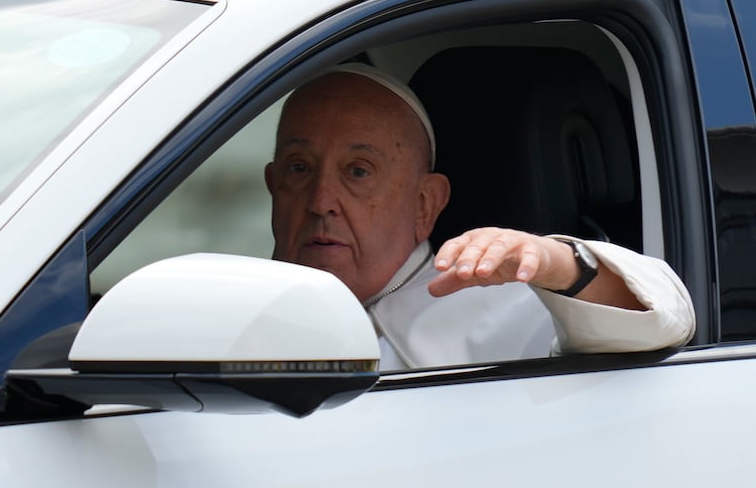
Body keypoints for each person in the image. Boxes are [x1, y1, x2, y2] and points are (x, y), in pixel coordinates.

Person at [264, 62, 696, 370]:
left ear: (424, 203)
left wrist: (554, 261)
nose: (321, 200)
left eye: (358, 171)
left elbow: (665, 321)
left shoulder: (508, 307)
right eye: (298, 167)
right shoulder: (231, 305)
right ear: (272, 185)